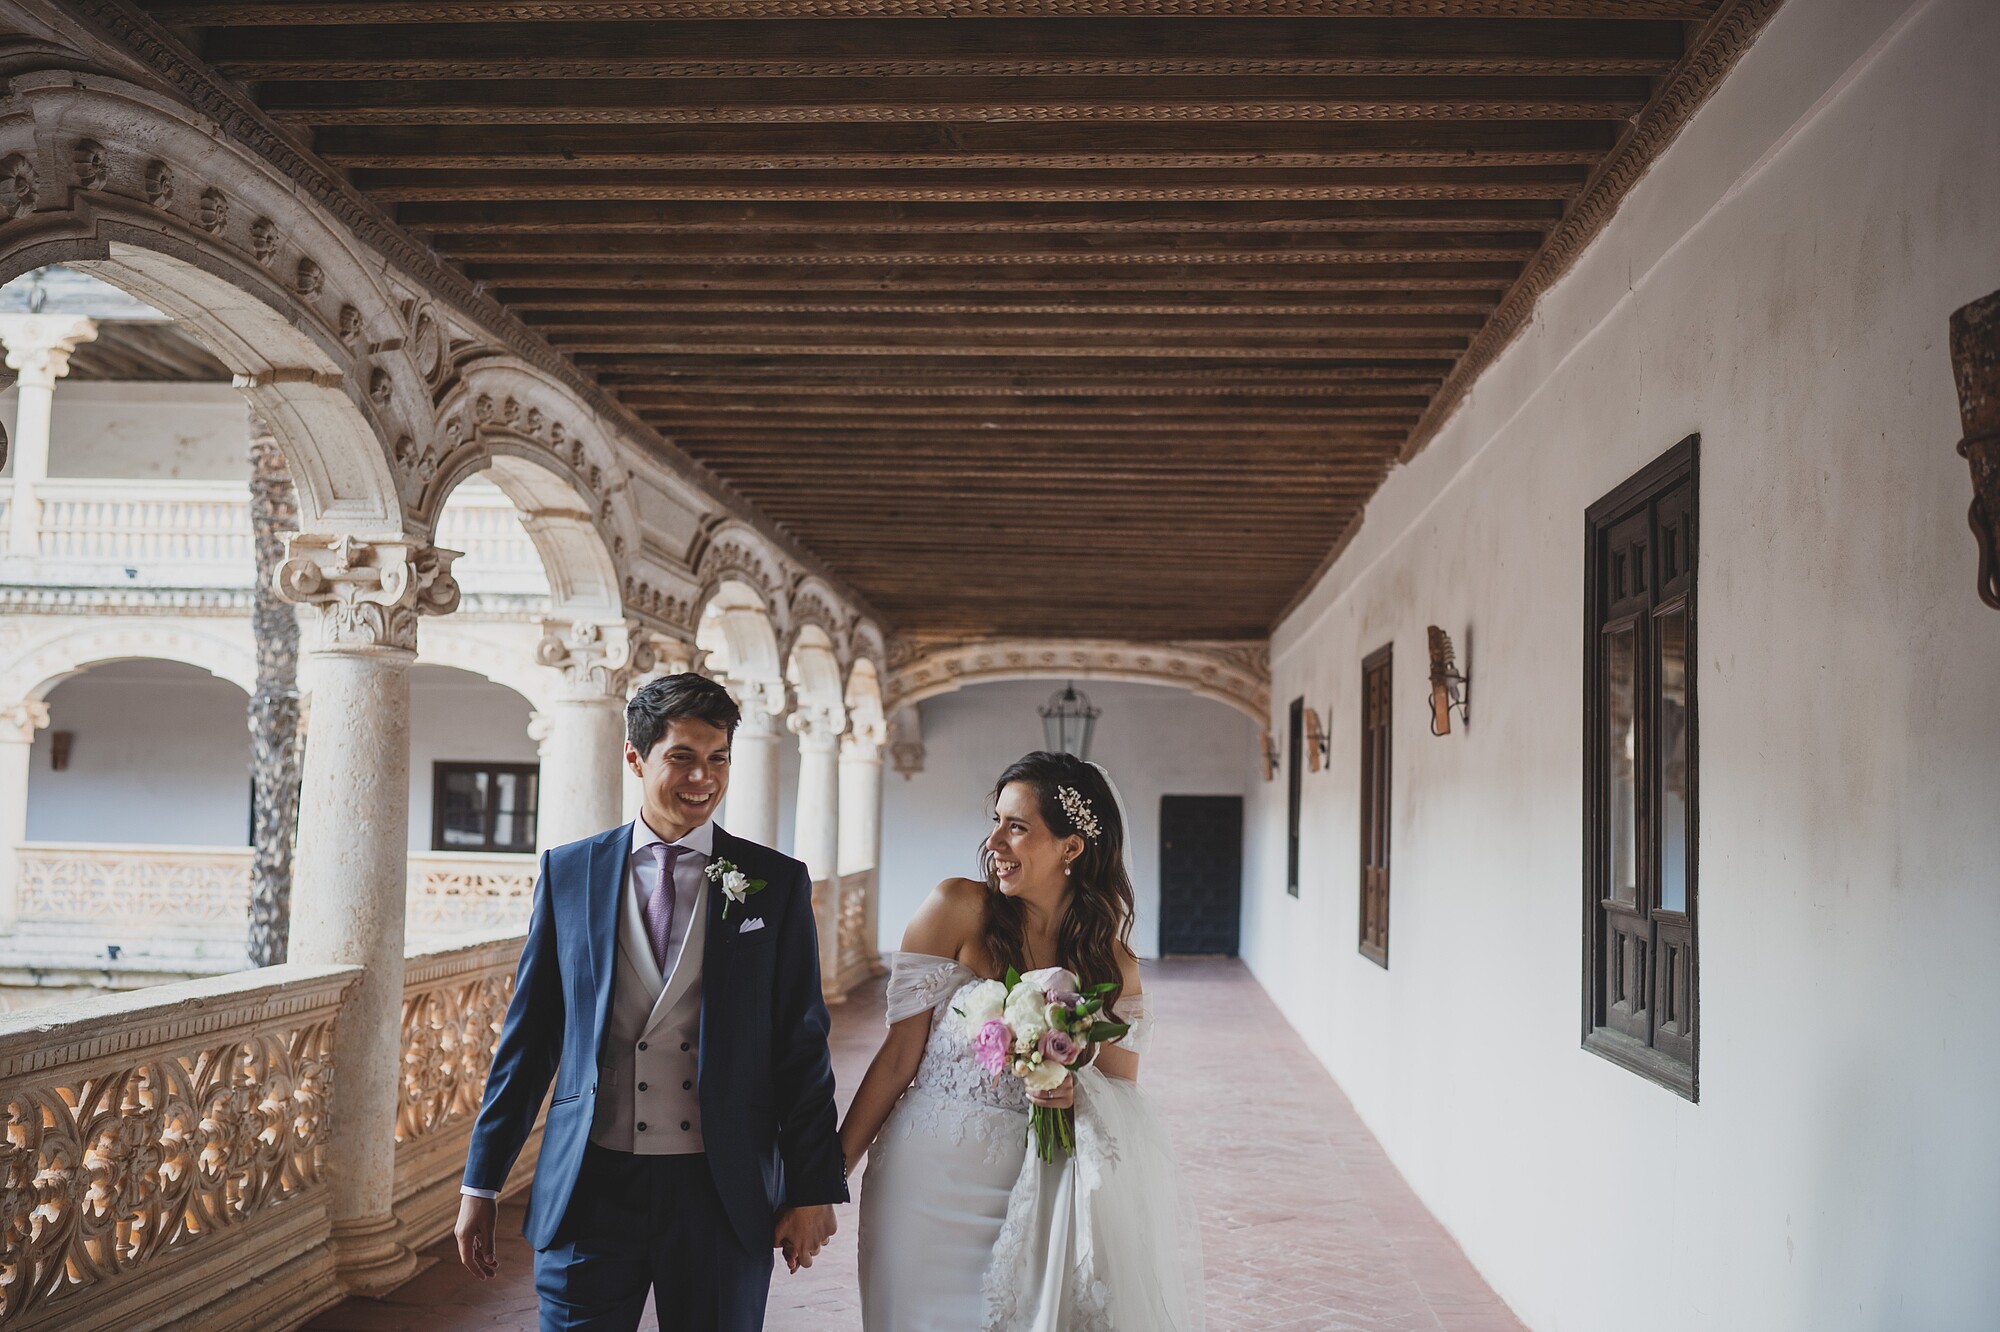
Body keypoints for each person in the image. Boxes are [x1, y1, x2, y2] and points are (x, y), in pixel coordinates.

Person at [455, 673, 847, 1332]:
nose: (704, 777)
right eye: (683, 758)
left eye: (718, 758)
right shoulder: (568, 872)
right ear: (636, 758)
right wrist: (481, 1182)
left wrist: (812, 1187)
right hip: (590, 1186)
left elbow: (800, 1050)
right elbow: (529, 1043)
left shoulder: (773, 884)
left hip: (719, 1189)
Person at [841, 751, 1202, 1331]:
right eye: (994, 822)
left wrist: (1073, 1089)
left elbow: (1121, 1093)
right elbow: (896, 1058)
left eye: (1016, 827)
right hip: (925, 1181)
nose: (993, 843)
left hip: (1038, 1189)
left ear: (1071, 847)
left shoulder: (1112, 962)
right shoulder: (955, 908)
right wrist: (831, 1174)